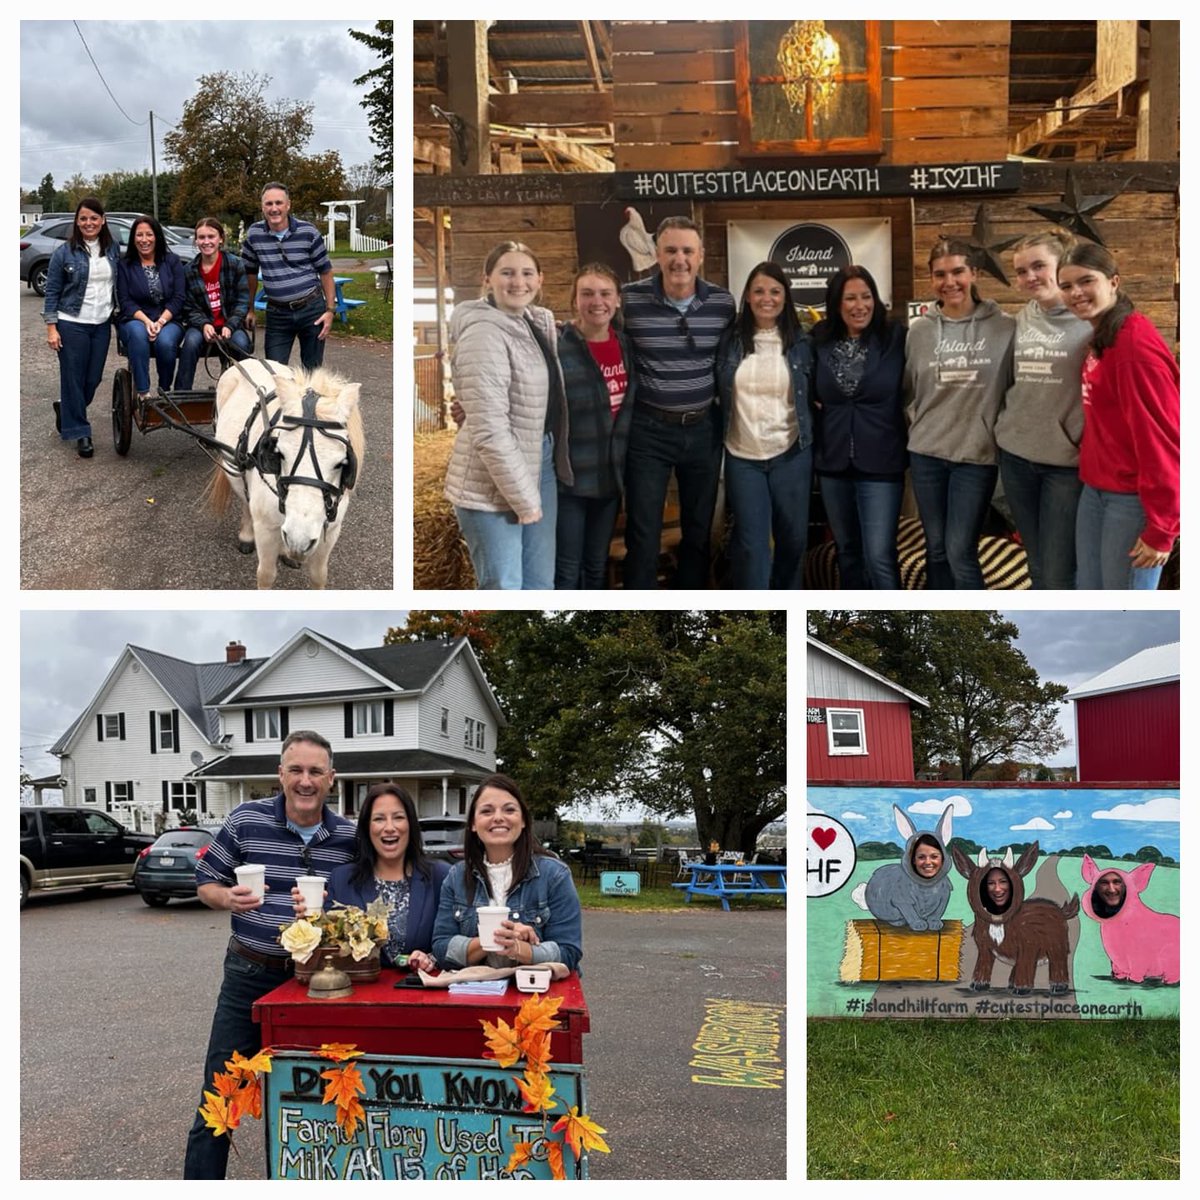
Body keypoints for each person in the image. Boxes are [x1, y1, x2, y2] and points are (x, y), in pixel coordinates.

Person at [183, 730, 356, 1179]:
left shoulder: (349, 837)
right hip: (250, 972)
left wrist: (332, 912)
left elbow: (360, 904)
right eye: (295, 770)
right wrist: (227, 898)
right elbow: (205, 882)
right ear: (280, 774)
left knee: (322, 1095)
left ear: (331, 778)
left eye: (315, 771)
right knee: (220, 1096)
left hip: (317, 981)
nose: (305, 781)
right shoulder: (246, 820)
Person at [444, 241, 571, 590]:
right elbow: (489, 431)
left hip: (539, 461)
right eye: (507, 273)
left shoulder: (532, 324)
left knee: (540, 586)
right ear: (487, 279)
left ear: (540, 279)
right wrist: (525, 500)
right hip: (491, 480)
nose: (518, 282)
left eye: (527, 273)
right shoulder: (483, 333)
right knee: (505, 587)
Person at [621, 216, 736, 589]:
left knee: (699, 530)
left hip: (703, 428)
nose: (679, 259)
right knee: (643, 530)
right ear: (657, 254)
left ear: (701, 256)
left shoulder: (722, 303)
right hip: (648, 431)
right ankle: (640, 612)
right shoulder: (630, 300)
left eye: (688, 251)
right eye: (671, 250)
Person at [1057, 242, 1179, 589]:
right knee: (1088, 592)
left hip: (1132, 500)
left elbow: (1164, 439)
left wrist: (1162, 528)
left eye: (1086, 281)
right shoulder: (1104, 336)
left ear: (1113, 281)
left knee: (1124, 601)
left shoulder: (1133, 348)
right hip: (1097, 489)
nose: (1075, 293)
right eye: (1066, 285)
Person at [905, 238, 1015, 589]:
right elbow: (909, 390)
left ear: (974, 274)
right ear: (931, 279)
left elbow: (1014, 388)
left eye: (958, 272)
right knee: (936, 549)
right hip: (926, 455)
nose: (949, 282)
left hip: (976, 457)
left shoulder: (1005, 328)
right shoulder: (919, 331)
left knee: (960, 550)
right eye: (940, 274)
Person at [993, 230, 1092, 590]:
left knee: (1059, 567)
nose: (1029, 277)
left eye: (1038, 266)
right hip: (1016, 457)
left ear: (1062, 264)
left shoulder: (1090, 322)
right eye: (1021, 271)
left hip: (1065, 465)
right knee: (1035, 560)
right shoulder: (1021, 319)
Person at [715, 261, 814, 588]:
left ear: (785, 296)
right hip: (743, 457)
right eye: (758, 291)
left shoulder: (802, 343)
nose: (766, 298)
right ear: (747, 295)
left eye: (774, 291)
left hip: (791, 454)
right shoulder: (729, 341)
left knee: (793, 541)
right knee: (752, 547)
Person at [811, 265, 907, 589]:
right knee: (847, 551)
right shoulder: (819, 339)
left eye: (866, 296)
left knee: (879, 555)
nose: (860, 305)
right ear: (836, 303)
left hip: (882, 462)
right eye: (850, 298)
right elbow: (803, 383)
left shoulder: (895, 337)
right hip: (833, 462)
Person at [432, 773, 582, 973]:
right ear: (473, 824)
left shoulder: (554, 875)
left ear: (523, 820)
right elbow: (441, 949)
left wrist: (519, 949)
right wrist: (493, 939)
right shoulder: (456, 877)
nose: (498, 817)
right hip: (476, 989)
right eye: (486, 811)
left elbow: (569, 952)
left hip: (536, 991)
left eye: (509, 810)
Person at [555, 263, 636, 589]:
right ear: (575, 300)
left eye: (605, 293)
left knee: (596, 564)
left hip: (610, 477)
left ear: (617, 300)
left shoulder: (626, 346)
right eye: (587, 293)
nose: (597, 301)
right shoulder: (558, 345)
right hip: (570, 479)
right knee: (567, 568)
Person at [319, 785, 448, 972]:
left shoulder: (439, 876)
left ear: (411, 824)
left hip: (421, 987)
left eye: (398, 817)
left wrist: (430, 959)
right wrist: (311, 917)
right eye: (379, 819)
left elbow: (452, 943)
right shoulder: (342, 879)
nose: (389, 828)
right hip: (359, 987)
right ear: (367, 827)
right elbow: (327, 947)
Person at [42, 196, 120, 458]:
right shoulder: (64, 252)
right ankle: (81, 432)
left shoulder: (112, 249)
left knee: (93, 378)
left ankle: (66, 409)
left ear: (103, 220)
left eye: (94, 218)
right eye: (83, 218)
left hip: (101, 323)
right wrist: (51, 328)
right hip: (71, 323)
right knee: (73, 378)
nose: (89, 223)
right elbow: (52, 291)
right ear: (76, 221)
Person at [240, 182, 336, 371]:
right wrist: (249, 308)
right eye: (269, 204)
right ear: (262, 207)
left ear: (288, 205)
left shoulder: (308, 232)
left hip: (311, 309)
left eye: (279, 203)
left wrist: (330, 310)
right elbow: (249, 274)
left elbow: (325, 271)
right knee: (275, 371)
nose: (274, 208)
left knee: (312, 372)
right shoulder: (254, 234)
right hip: (277, 313)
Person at [175, 217, 252, 391]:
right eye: (201, 237)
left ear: (220, 239)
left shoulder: (235, 265)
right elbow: (188, 307)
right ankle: (181, 393)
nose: (206, 242)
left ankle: (245, 393)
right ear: (196, 241)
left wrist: (230, 325)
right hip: (201, 326)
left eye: (211, 236)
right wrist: (203, 324)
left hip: (231, 324)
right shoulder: (189, 270)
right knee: (190, 343)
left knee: (241, 345)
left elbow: (242, 302)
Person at [115, 214, 186, 401]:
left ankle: (164, 391)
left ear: (157, 236)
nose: (144, 240)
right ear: (133, 238)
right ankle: (143, 394)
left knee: (165, 342)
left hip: (169, 319)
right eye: (139, 235)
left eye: (149, 234)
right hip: (135, 318)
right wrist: (147, 322)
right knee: (138, 335)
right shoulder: (125, 265)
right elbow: (125, 301)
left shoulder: (172, 261)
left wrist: (160, 322)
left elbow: (179, 297)